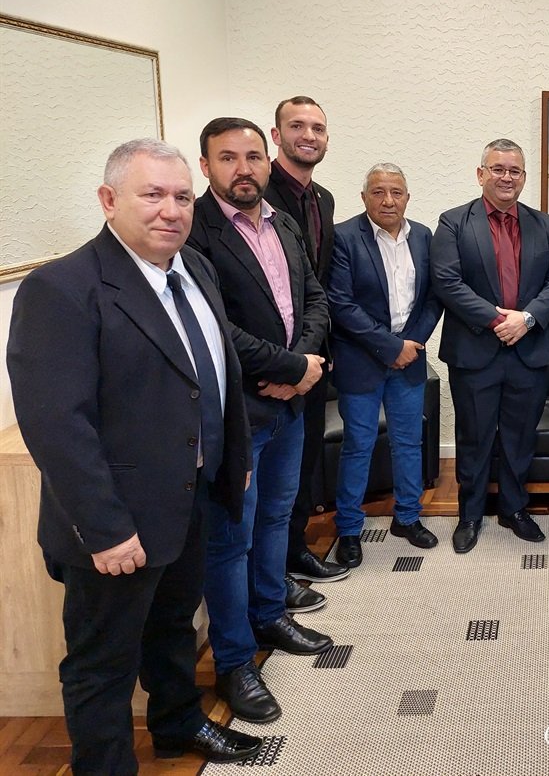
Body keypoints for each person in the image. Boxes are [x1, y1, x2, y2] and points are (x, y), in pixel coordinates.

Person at [7, 139, 261, 771]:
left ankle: (177, 725)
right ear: (108, 199)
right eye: (152, 195)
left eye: (182, 197)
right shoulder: (61, 289)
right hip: (116, 521)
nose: (171, 210)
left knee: (174, 628)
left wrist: (233, 457)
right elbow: (57, 426)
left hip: (189, 497)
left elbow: (214, 374)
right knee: (103, 664)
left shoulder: (193, 268)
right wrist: (106, 529)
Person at [188, 117, 333, 724]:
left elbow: (313, 298)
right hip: (239, 411)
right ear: (206, 167)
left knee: (276, 515)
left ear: (267, 161)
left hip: (289, 403)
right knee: (231, 540)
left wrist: (302, 367)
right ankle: (234, 660)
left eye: (252, 157)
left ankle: (270, 614)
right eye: (228, 158)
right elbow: (214, 326)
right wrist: (291, 366)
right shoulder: (194, 229)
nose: (243, 169)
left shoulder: (282, 221)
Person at [431, 139, 549, 553]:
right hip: (475, 351)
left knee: (519, 437)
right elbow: (447, 281)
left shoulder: (545, 225)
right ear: (481, 174)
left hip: (529, 349)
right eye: (498, 169)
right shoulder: (454, 222)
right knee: (474, 437)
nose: (507, 177)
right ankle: (470, 514)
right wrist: (497, 319)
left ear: (524, 177)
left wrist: (526, 319)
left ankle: (514, 509)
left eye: (515, 171)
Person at [327, 163, 443, 560]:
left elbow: (433, 298)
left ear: (408, 198)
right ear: (364, 198)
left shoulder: (423, 237)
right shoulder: (344, 237)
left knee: (408, 443)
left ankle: (407, 517)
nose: (388, 200)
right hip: (361, 361)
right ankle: (348, 529)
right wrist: (391, 348)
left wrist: (412, 343)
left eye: (396, 192)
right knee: (358, 445)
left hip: (409, 360)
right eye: (378, 192)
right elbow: (341, 303)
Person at [265, 96, 349, 598]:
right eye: (297, 126)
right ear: (277, 136)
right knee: (271, 479)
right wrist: (287, 363)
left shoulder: (323, 199)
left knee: (301, 464)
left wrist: (311, 357)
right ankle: (271, 577)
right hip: (269, 366)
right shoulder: (258, 194)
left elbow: (317, 287)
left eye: (317, 128)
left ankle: (296, 551)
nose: (309, 136)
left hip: (313, 358)